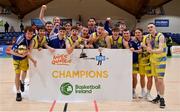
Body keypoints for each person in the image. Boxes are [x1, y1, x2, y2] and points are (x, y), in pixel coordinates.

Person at [10, 26, 36, 101]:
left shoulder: (32, 40)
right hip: (16, 59)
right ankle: (18, 93)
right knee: (17, 74)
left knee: (24, 71)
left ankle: (22, 82)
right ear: (25, 33)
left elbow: (30, 51)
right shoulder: (20, 39)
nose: (29, 35)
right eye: (28, 33)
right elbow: (11, 51)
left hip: (24, 59)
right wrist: (20, 55)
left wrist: (33, 60)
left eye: (31, 34)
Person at [146, 23, 167, 108]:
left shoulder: (160, 36)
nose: (150, 28)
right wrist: (147, 46)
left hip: (161, 60)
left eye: (151, 27)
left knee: (160, 80)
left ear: (155, 28)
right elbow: (149, 48)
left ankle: (162, 98)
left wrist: (151, 51)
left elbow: (161, 49)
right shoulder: (148, 37)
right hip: (153, 61)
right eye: (148, 28)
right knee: (155, 79)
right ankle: (158, 95)